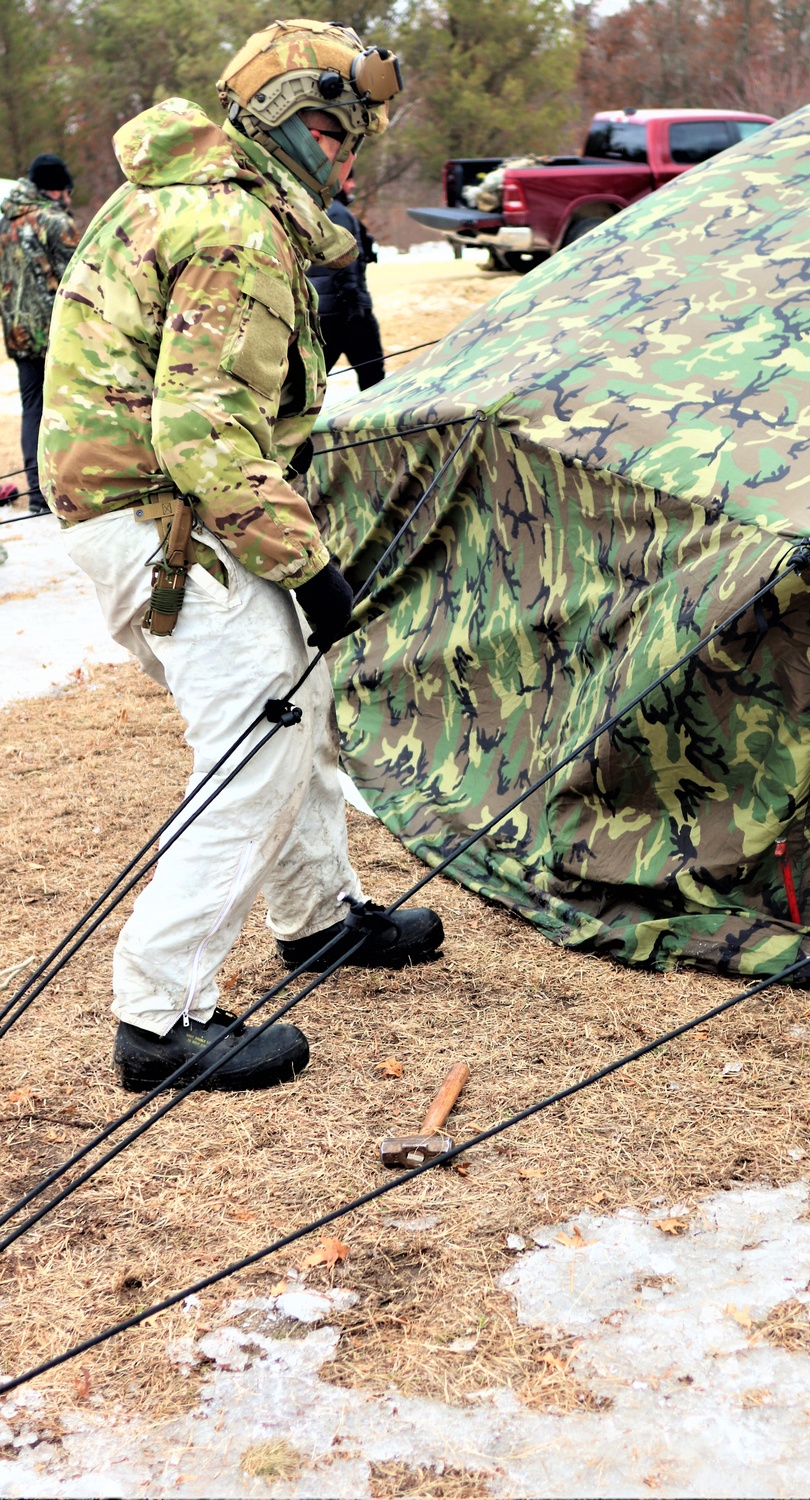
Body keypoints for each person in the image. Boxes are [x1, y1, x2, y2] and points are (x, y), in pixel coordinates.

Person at [38, 20, 443, 1094]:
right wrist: (310, 567)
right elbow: (205, 433)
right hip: (160, 517)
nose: (348, 157)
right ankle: (159, 1017)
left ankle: (317, 918)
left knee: (293, 702)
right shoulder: (234, 228)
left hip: (170, 510)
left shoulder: (208, 198)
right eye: (338, 132)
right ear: (291, 122)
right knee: (258, 735)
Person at [0, 154, 78, 514]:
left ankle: (38, 496)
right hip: (56, 332)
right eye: (67, 191)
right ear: (56, 189)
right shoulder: (54, 221)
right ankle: (69, 490)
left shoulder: (5, 221)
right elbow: (80, 276)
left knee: (33, 408)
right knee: (70, 407)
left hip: (17, 332)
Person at [308, 179, 385, 387]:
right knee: (373, 375)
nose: (353, 185)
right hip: (346, 310)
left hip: (323, 311)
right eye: (349, 179)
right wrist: (355, 305)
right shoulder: (339, 213)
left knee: (312, 379)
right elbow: (345, 261)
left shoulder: (312, 208)